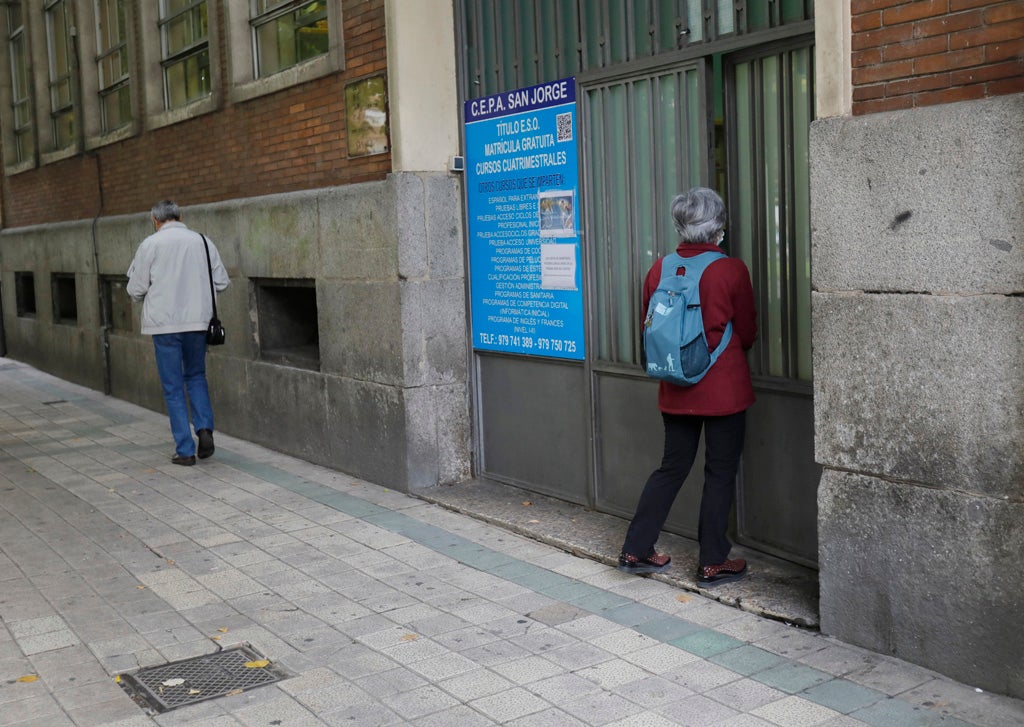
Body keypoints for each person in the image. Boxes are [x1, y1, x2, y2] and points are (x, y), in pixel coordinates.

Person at [618, 187, 758, 586]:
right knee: (719, 472)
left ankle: (636, 549)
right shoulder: (731, 270)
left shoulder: (659, 269)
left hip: (675, 386)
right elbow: (747, 331)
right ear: (718, 227)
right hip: (723, 389)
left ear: (680, 224)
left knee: (671, 468)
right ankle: (712, 562)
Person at [127, 200, 230, 466]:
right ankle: (204, 428)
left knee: (173, 387)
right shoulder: (203, 241)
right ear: (181, 216)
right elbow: (221, 282)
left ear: (154, 219)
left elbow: (135, 289)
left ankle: (185, 450)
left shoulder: (149, 245)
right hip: (198, 323)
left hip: (165, 326)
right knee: (196, 376)